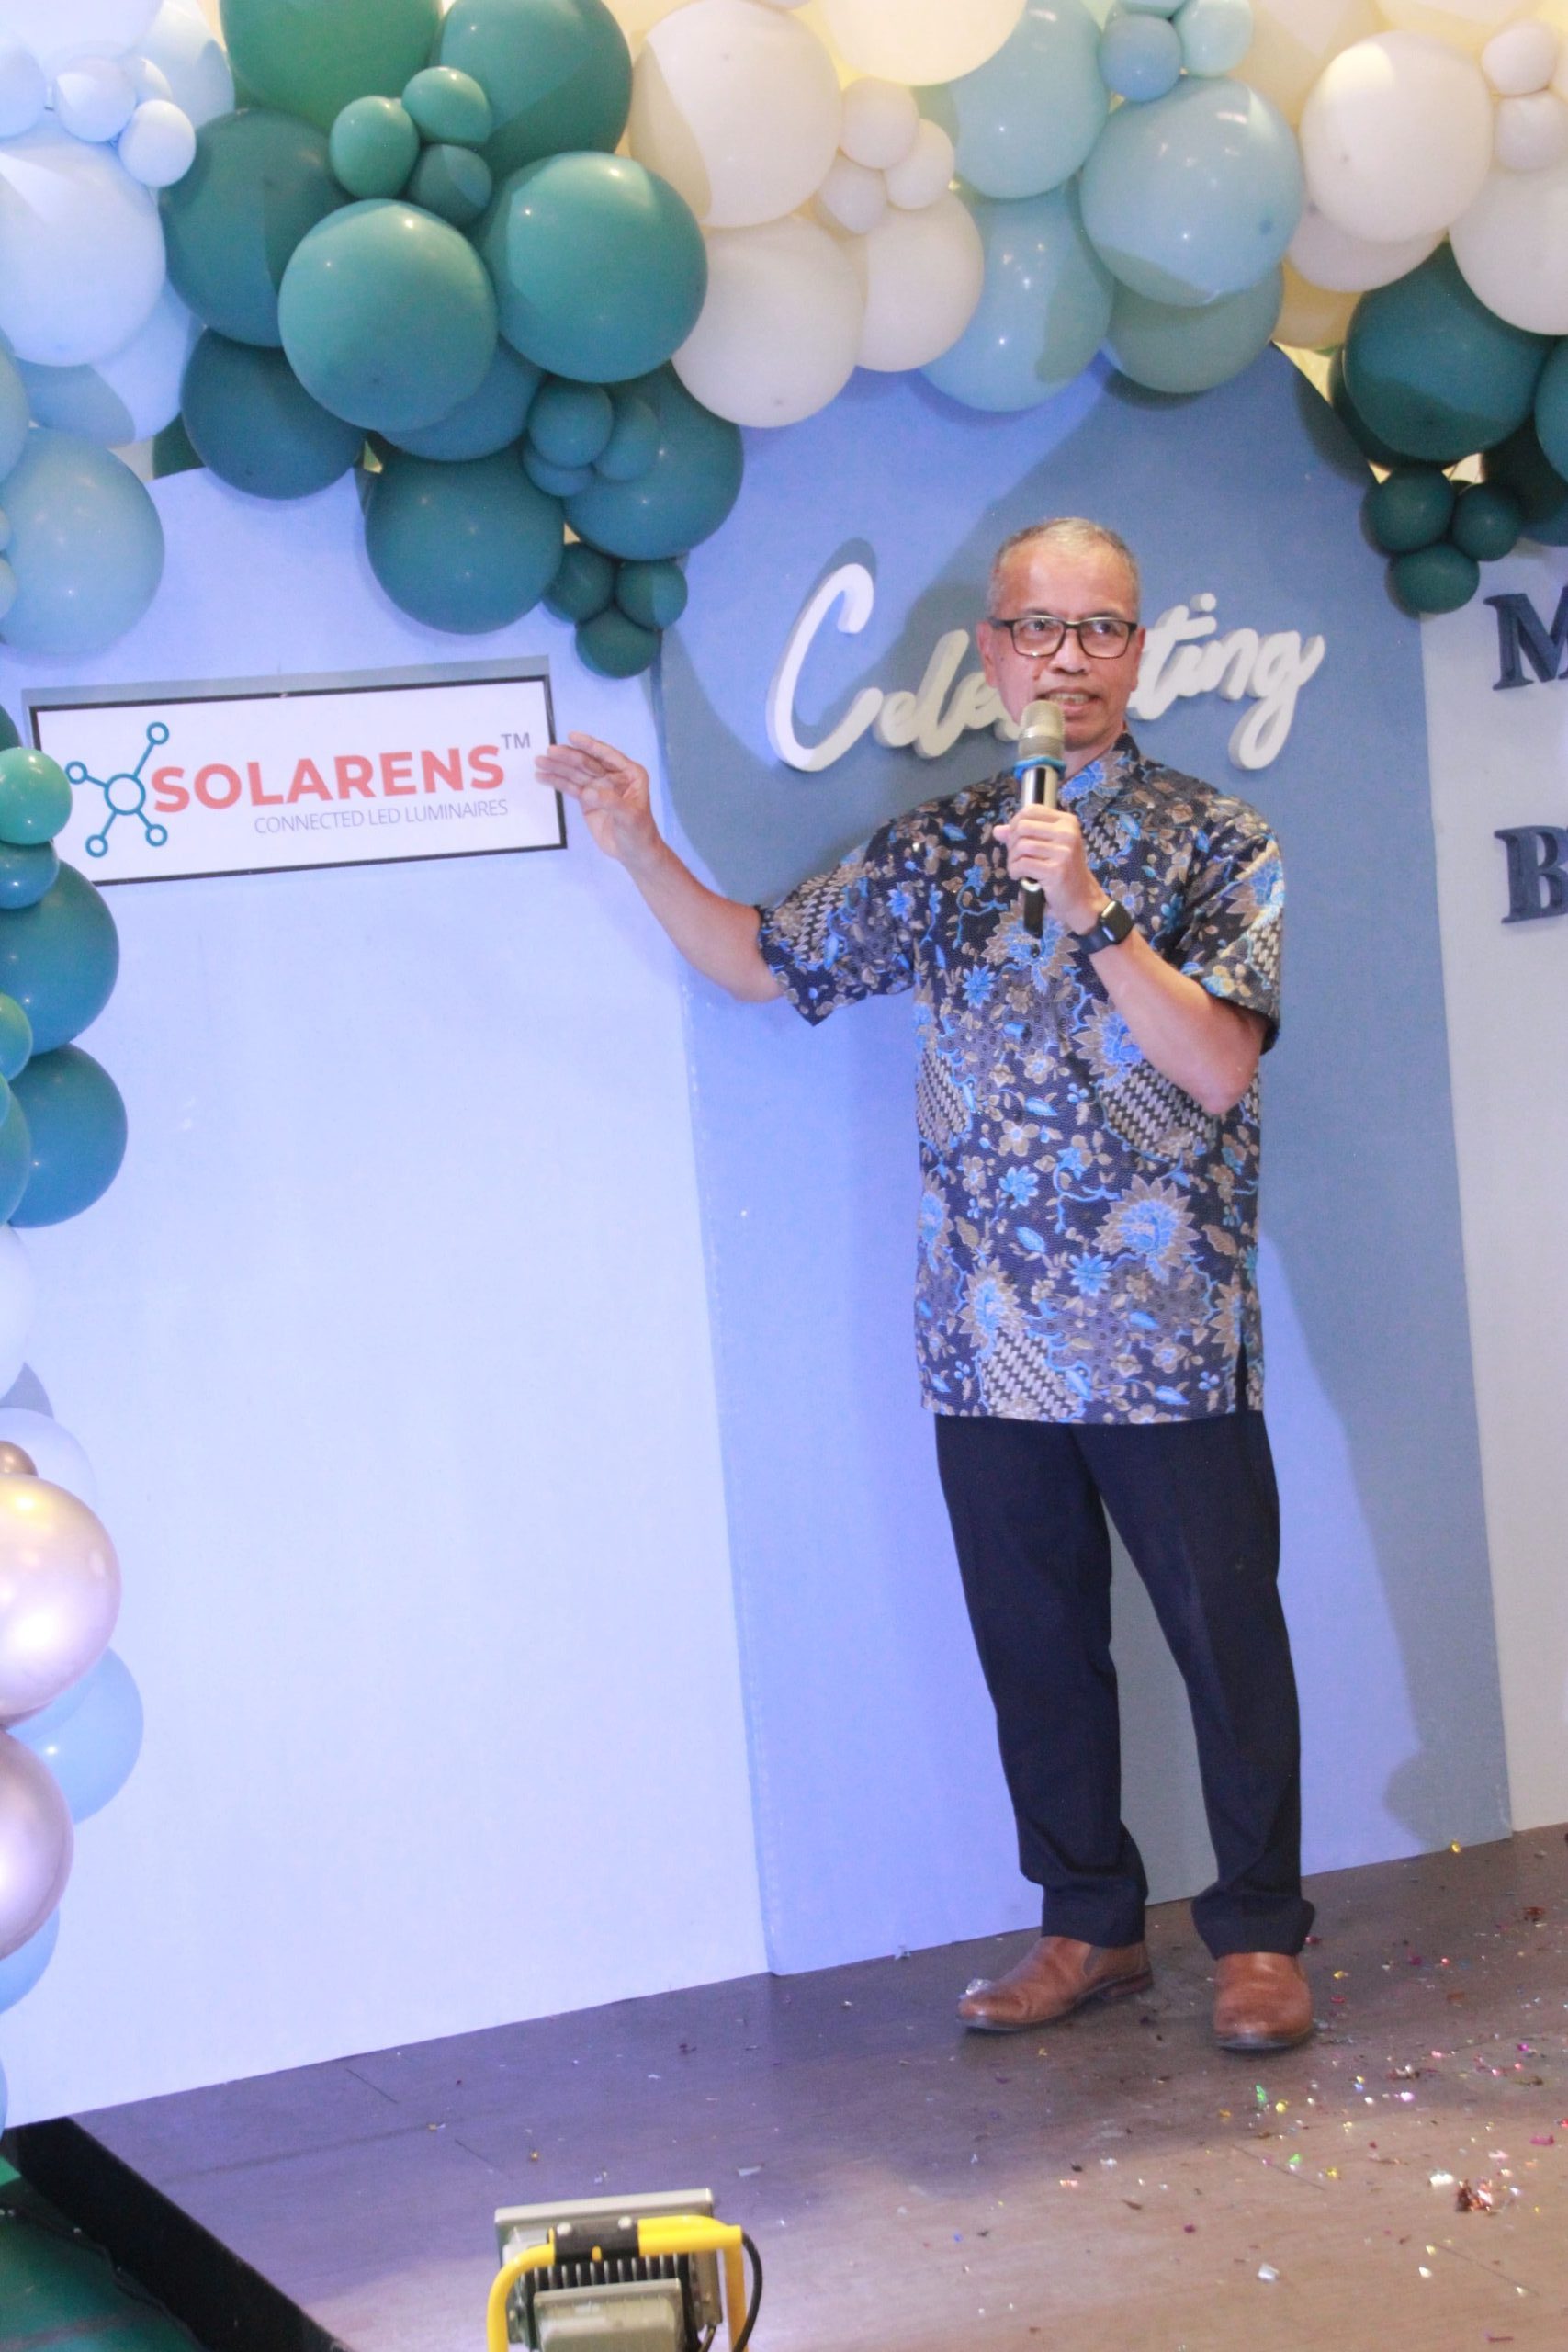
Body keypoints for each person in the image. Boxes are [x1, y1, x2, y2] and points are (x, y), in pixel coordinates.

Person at [535, 517, 1314, 2056]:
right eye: (1040, 628)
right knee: (1036, 1650)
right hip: (986, 1334)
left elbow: (1219, 1066)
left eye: (1102, 628)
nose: (1070, 658)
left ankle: (1258, 1936)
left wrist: (1092, 909)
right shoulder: (943, 846)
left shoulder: (1220, 840)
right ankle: (1088, 1923)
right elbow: (762, 962)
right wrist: (637, 841)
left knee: (1226, 1643)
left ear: (1140, 650)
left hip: (1168, 1337)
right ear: (992, 653)